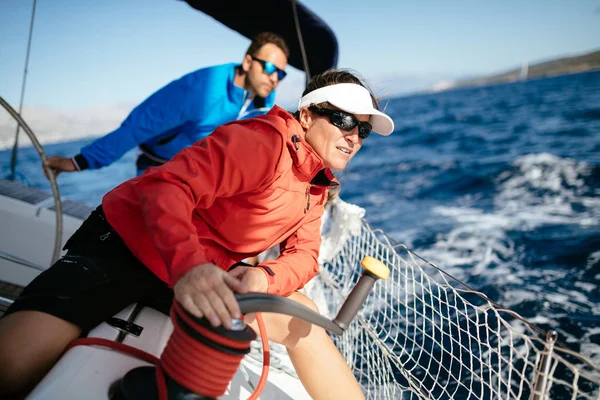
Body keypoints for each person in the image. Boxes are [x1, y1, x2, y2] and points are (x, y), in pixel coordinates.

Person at [0, 69, 395, 399]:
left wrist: (262, 276)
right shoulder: (261, 142)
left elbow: (306, 255)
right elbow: (166, 188)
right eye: (344, 120)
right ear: (307, 115)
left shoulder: (317, 183)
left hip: (201, 274)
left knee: (304, 319)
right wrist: (189, 266)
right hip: (125, 249)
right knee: (11, 365)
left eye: (363, 129)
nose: (354, 136)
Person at [43, 32, 289, 177]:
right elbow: (141, 124)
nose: (274, 78)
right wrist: (80, 161)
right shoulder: (203, 88)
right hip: (160, 165)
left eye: (281, 73)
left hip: (205, 170)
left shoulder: (263, 101)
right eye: (269, 68)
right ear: (247, 62)